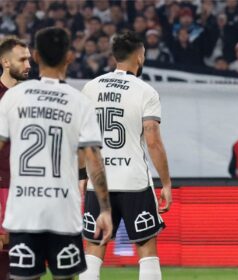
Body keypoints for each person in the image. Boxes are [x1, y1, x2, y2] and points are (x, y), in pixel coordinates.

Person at [0, 27, 113, 280]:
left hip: (23, 213)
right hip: (63, 210)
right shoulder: (79, 101)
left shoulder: (13, 98)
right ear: (69, 56)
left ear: (37, 56)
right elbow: (94, 160)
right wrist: (105, 210)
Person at [79, 30, 172, 280]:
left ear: (114, 56)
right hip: (133, 181)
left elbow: (81, 138)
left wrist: (81, 176)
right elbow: (152, 140)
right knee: (146, 249)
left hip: (98, 181)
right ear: (140, 56)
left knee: (95, 247)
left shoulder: (90, 87)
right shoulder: (145, 91)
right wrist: (166, 183)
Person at [0, 36, 31, 280]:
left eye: (29, 59)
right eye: (23, 59)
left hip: (31, 189)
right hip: (3, 186)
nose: (29, 64)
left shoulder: (34, 97)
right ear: (5, 62)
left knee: (29, 260)